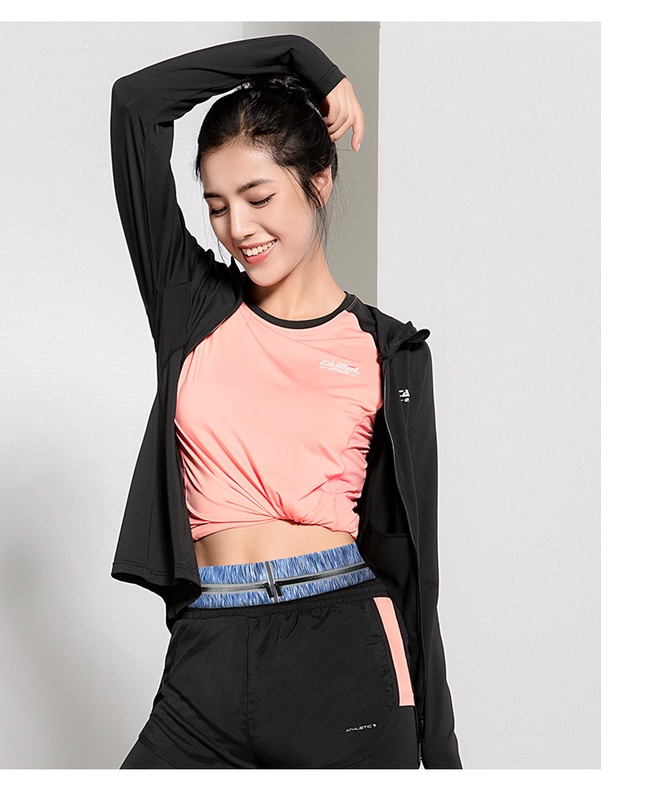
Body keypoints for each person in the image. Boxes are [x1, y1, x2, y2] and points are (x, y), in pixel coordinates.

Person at [109, 34, 461, 769]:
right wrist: (298, 57)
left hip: (344, 651)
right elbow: (136, 104)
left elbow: (413, 569)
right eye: (217, 206)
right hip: (208, 650)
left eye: (259, 197)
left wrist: (441, 751)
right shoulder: (191, 304)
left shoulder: (388, 352)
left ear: (318, 182)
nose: (238, 229)